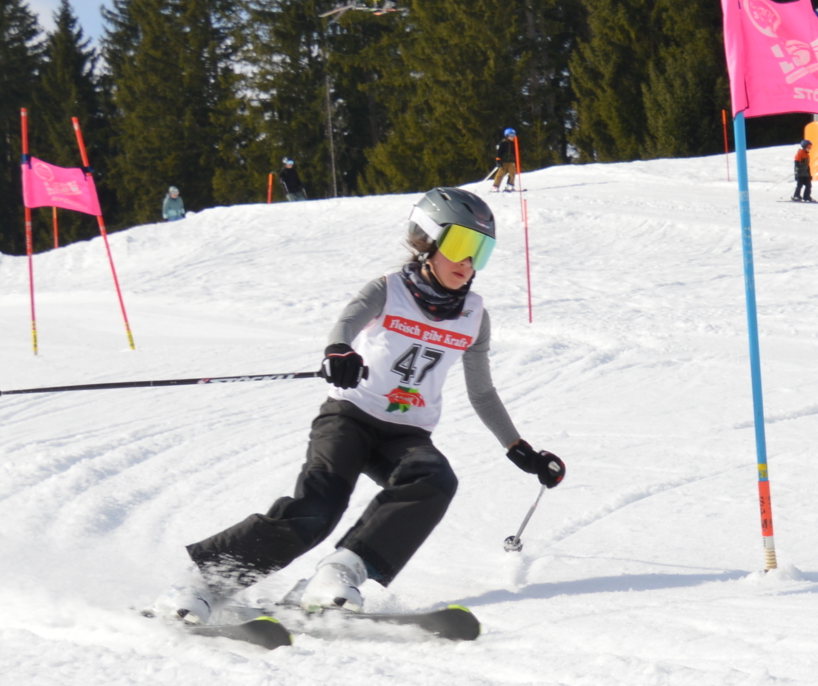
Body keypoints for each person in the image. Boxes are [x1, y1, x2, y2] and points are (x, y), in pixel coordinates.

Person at [155, 187, 565, 622]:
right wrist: (339, 352)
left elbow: (481, 392)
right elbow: (346, 324)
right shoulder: (389, 290)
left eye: (479, 251)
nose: (467, 262)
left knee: (434, 480)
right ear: (428, 241)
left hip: (406, 434)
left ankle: (340, 573)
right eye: (460, 244)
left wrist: (518, 448)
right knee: (318, 508)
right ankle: (203, 582)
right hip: (348, 418)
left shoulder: (474, 318)